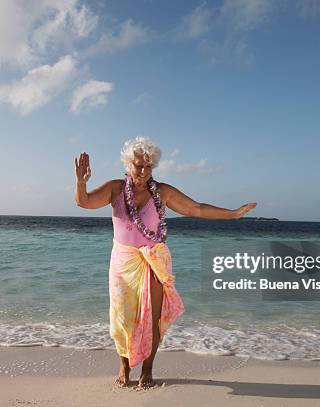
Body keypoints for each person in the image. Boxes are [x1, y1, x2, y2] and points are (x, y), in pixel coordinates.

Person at [74, 136, 257, 388]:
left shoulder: (163, 192)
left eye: (148, 166)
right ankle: (124, 367)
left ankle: (147, 370)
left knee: (152, 316)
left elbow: (198, 209)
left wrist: (234, 214)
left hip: (153, 259)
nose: (142, 170)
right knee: (122, 317)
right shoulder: (115, 188)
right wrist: (81, 183)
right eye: (138, 165)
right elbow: (83, 202)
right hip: (123, 262)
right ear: (127, 164)